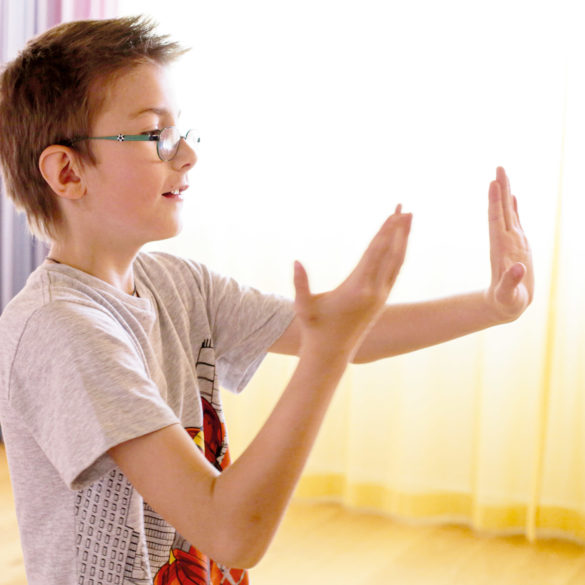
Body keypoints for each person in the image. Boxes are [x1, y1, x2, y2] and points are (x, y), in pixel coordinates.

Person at [0, 15, 533, 585]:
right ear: (67, 172)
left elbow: (339, 329)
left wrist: (492, 306)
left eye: (181, 132)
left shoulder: (178, 284)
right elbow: (230, 532)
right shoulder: (61, 330)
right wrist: (325, 355)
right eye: (156, 136)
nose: (188, 155)